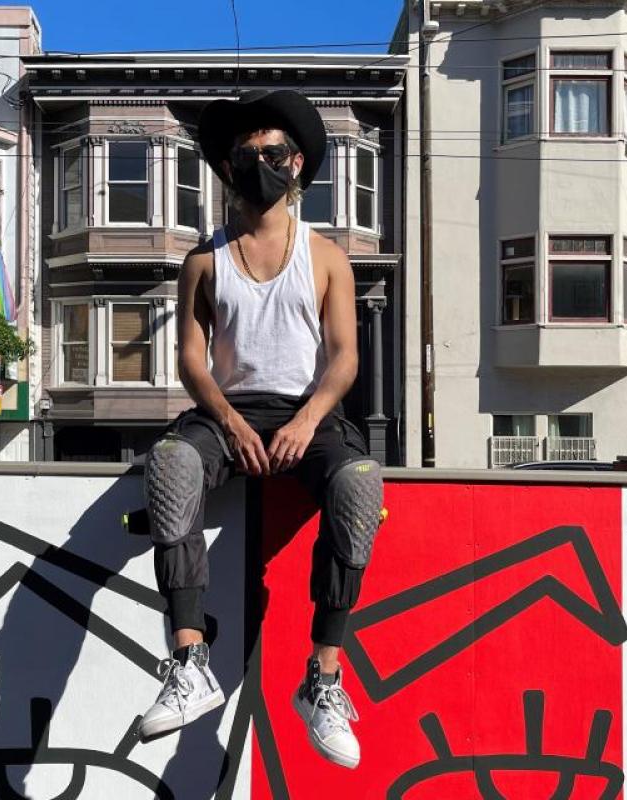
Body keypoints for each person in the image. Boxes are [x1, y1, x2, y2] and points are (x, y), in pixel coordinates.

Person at [138, 89, 384, 770]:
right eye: (245, 155)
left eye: (272, 152)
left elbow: (345, 358)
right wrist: (228, 419)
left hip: (308, 413)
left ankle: (323, 678)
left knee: (361, 484)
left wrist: (307, 420)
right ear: (227, 169)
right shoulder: (204, 260)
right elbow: (191, 360)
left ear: (296, 162)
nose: (259, 163)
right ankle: (189, 663)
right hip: (226, 414)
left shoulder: (327, 256)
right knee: (171, 466)